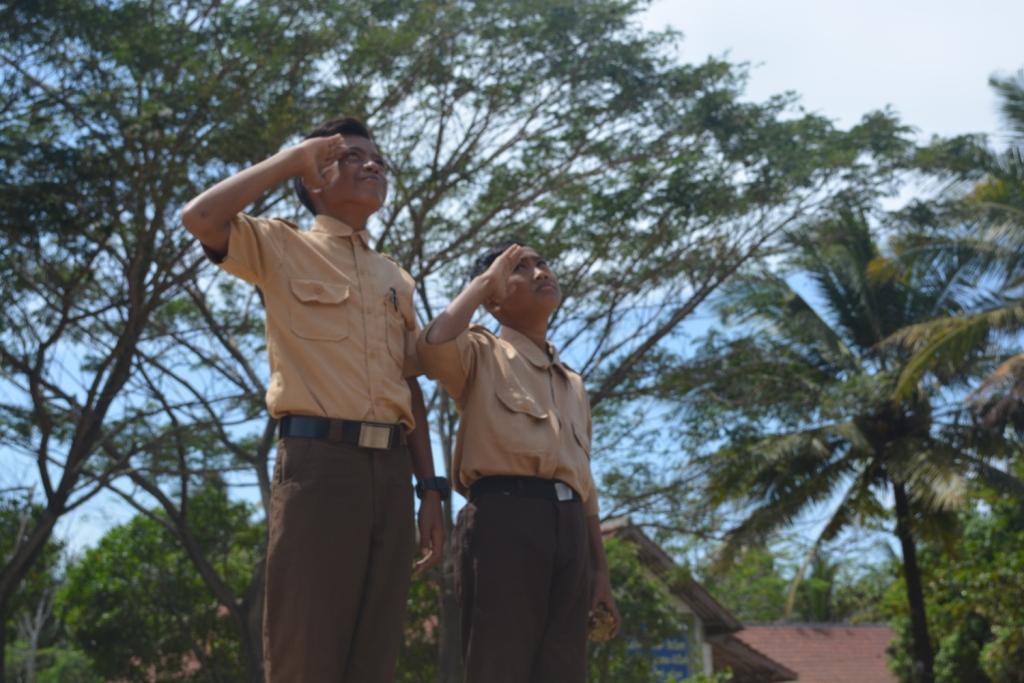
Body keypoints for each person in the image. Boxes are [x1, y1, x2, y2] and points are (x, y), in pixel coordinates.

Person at [181, 116, 449, 683]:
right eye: (350, 155)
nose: (371, 165)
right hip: (320, 468)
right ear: (314, 177)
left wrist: (430, 489)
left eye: (377, 159)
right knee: (307, 651)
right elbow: (199, 218)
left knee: (374, 656)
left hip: (393, 473)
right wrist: (291, 158)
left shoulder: (395, 277)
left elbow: (409, 387)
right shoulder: (280, 245)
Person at [417, 240, 620, 683]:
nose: (538, 272)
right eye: (518, 269)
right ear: (493, 299)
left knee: (565, 670)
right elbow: (431, 346)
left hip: (569, 529)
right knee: (499, 664)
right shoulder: (480, 352)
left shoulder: (573, 383)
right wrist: (482, 283)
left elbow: (585, 484)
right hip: (503, 520)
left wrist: (599, 569)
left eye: (541, 263)